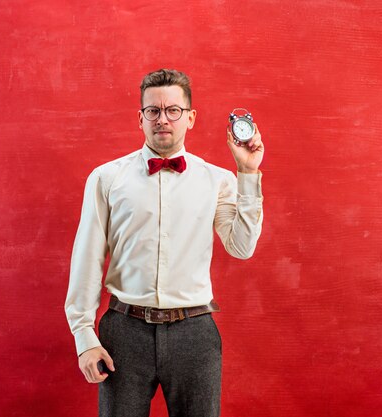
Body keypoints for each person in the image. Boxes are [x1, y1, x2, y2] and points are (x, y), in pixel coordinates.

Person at [64, 68, 264, 417]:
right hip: (124, 331)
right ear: (140, 118)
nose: (163, 119)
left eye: (173, 110)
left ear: (191, 118)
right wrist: (84, 337)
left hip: (195, 332)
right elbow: (87, 258)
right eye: (153, 111)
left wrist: (247, 174)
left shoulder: (217, 180)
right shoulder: (107, 178)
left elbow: (242, 247)